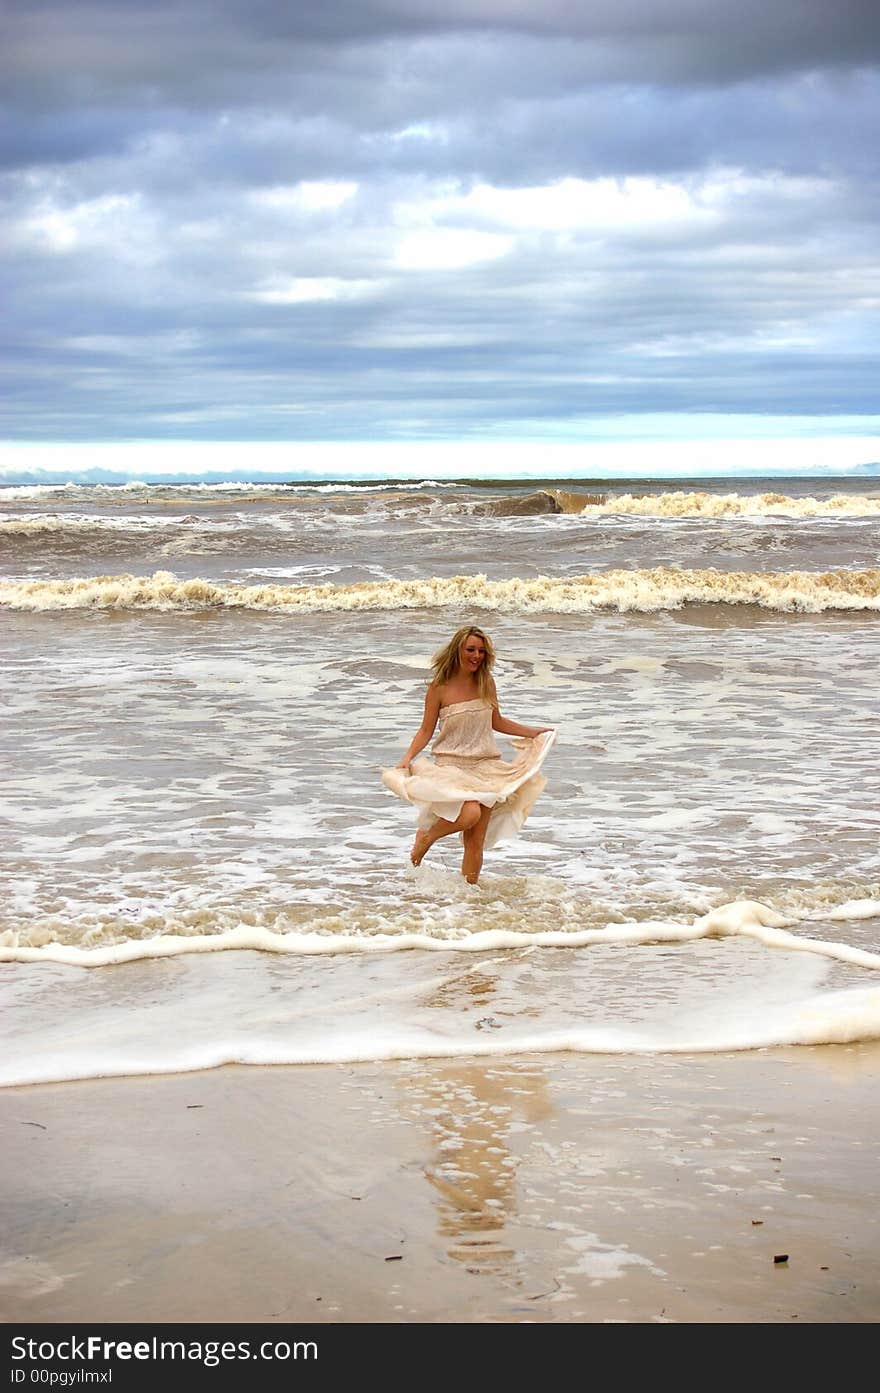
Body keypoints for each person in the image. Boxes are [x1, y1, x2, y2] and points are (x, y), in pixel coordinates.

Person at [381, 625, 556, 884]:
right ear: (458, 650)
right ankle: (427, 836)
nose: (477, 656)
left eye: (482, 651)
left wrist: (534, 732)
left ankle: (469, 895)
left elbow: (497, 721)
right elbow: (425, 730)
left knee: (475, 842)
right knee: (470, 814)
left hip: (486, 766)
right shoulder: (439, 688)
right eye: (471, 650)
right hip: (451, 766)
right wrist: (407, 758)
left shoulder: (486, 683)